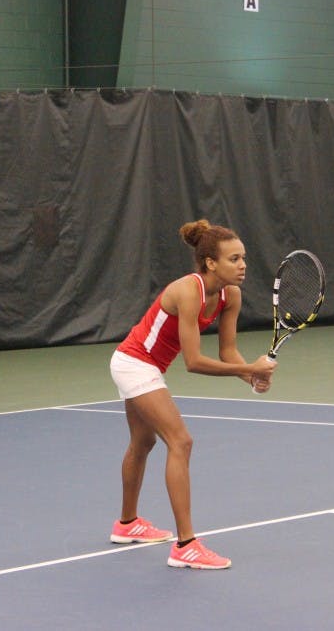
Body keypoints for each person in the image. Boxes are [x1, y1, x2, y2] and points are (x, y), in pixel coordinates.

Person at [108, 220, 277, 569]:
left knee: (144, 442)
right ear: (210, 263)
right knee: (180, 442)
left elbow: (229, 352)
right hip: (134, 363)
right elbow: (194, 362)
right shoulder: (188, 290)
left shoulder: (232, 295)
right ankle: (186, 545)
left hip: (145, 365)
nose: (243, 265)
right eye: (234, 259)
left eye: (243, 258)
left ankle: (127, 524)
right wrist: (251, 370)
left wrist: (250, 377)